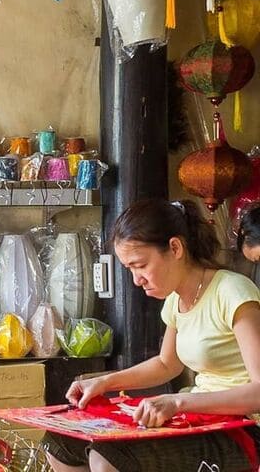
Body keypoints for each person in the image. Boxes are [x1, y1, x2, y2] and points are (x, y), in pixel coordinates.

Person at [46, 198, 260, 472]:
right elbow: (166, 364)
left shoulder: (232, 292)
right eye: (130, 269)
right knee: (61, 443)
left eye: (141, 265)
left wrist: (178, 402)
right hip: (199, 416)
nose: (137, 280)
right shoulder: (176, 300)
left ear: (175, 247)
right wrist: (103, 382)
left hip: (243, 428)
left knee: (108, 457)